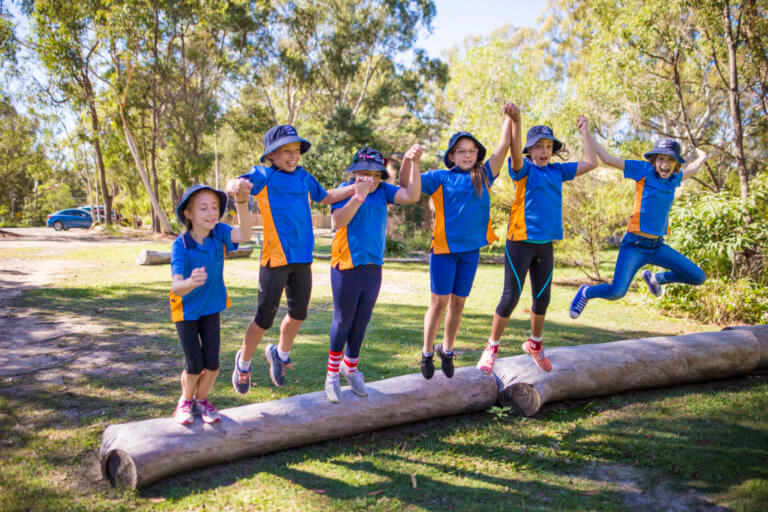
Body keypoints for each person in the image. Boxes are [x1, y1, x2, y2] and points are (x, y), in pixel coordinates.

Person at [227, 125, 354, 393]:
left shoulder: (304, 177)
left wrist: (355, 188)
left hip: (301, 259)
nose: (293, 156)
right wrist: (236, 186)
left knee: (298, 314)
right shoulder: (264, 175)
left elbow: (327, 196)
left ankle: (280, 354)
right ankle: (244, 361)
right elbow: (239, 183)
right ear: (271, 154)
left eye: (296, 150)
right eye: (287, 151)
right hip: (274, 259)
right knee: (264, 319)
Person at [476, 110, 597, 375]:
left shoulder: (557, 171)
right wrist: (517, 123)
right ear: (530, 150)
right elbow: (515, 152)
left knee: (542, 300)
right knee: (510, 298)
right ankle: (491, 347)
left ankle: (535, 344)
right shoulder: (523, 168)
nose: (544, 150)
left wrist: (585, 132)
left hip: (544, 244)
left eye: (548, 146)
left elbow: (591, 162)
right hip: (519, 241)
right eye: (539, 146)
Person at [416, 103, 517, 379]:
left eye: (472, 151)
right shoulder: (439, 177)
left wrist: (509, 118)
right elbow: (410, 187)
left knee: (458, 304)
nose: (468, 155)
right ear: (451, 155)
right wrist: (410, 162)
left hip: (470, 252)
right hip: (444, 252)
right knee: (438, 303)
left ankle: (446, 350)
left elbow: (504, 144)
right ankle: (426, 353)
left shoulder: (483, 176)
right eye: (462, 150)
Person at [324, 145, 424, 402]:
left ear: (381, 177)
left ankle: (351, 366)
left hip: (373, 265)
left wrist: (413, 162)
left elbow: (412, 195)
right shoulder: (345, 190)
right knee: (343, 319)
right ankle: (332, 374)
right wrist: (358, 195)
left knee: (362, 319)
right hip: (346, 264)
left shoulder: (383, 192)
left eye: (375, 174)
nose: (368, 178)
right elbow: (338, 222)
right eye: (362, 173)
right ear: (353, 173)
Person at [568, 137, 708, 319]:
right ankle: (587, 292)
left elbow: (693, 169)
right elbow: (608, 159)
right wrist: (587, 132)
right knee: (617, 292)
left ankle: (656, 279)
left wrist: (702, 156)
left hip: (657, 246)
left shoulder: (675, 179)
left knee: (698, 277)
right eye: (660, 159)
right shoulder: (643, 170)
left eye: (670, 160)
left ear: (676, 164)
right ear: (654, 161)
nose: (664, 164)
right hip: (634, 246)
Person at [170, 182, 253, 424]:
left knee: (213, 365)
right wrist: (190, 282)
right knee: (194, 365)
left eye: (214, 207)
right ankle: (185, 402)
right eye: (203, 208)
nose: (211, 213)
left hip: (211, 308)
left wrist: (241, 201)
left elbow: (245, 235)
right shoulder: (181, 245)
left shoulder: (219, 233)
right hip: (185, 311)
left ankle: (202, 400)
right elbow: (175, 287)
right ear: (189, 214)